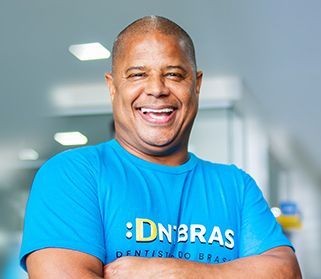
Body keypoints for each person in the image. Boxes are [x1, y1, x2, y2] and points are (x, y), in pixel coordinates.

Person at [20, 15, 302, 278]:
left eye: (174, 74)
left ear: (197, 84)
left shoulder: (235, 186)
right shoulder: (73, 175)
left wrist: (174, 271)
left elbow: (286, 271)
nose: (157, 89)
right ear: (112, 86)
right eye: (138, 75)